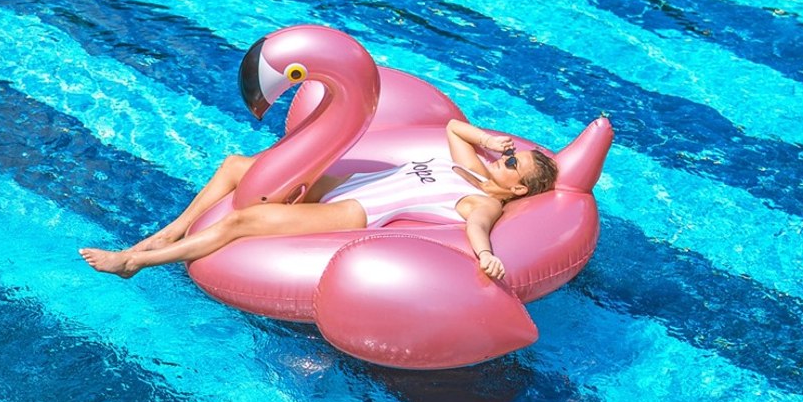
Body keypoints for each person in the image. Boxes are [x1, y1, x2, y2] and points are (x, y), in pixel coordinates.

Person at [80, 119, 558, 280]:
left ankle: (135, 263)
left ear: (515, 190)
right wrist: (491, 142)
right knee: (235, 165)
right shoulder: (472, 167)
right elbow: (455, 128)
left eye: (512, 163)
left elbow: (477, 228)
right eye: (509, 153)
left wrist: (487, 256)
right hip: (344, 184)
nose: (505, 155)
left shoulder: (486, 202)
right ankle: (172, 227)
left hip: (354, 211)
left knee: (241, 221)